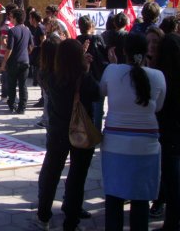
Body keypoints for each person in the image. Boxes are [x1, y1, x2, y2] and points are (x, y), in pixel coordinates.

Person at [100, 33, 166, 231]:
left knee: (114, 199)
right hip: (146, 147)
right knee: (140, 202)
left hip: (114, 146)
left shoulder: (111, 71)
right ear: (146, 51)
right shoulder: (158, 76)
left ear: (123, 51)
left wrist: (113, 64)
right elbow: (158, 107)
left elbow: (101, 91)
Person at [34, 39, 100, 231]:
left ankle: (43, 215)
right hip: (80, 133)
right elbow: (97, 94)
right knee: (77, 177)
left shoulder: (49, 76)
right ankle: (71, 222)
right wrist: (86, 69)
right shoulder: (84, 79)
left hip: (57, 132)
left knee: (51, 174)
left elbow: (44, 72)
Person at [154, 33, 180, 231]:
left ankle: (171, 223)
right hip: (171, 134)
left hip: (169, 134)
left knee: (172, 181)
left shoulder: (162, 78)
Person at [77, 15, 108, 130]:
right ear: (91, 26)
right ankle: (96, 132)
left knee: (84, 106)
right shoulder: (96, 39)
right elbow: (104, 55)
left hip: (83, 77)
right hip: (97, 76)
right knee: (98, 108)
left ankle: (84, 130)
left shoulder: (77, 40)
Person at [1, 8, 33, 115]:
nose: (10, 18)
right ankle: (22, 108)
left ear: (15, 18)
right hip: (25, 61)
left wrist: (4, 62)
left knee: (12, 84)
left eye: (11, 16)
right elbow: (31, 47)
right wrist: (26, 54)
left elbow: (9, 49)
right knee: (23, 85)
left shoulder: (12, 31)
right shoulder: (28, 30)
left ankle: (12, 105)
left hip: (14, 62)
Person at [0, 4, 17, 102]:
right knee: (6, 75)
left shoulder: (11, 24)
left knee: (9, 75)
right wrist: (12, 49)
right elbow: (3, 41)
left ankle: (8, 94)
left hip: (9, 53)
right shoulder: (7, 25)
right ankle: (4, 95)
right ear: (10, 13)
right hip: (6, 54)